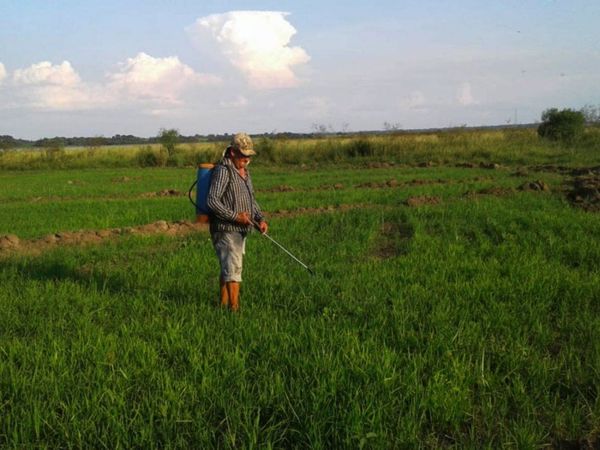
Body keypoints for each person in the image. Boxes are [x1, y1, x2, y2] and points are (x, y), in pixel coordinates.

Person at [206, 133, 268, 312]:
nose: (247, 159)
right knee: (233, 270)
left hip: (241, 229)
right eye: (243, 155)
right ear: (232, 152)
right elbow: (212, 201)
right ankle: (235, 312)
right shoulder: (223, 171)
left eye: (249, 155)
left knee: (229, 267)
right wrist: (235, 216)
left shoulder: (244, 172)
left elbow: (251, 199)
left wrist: (260, 219)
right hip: (225, 229)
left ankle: (223, 305)